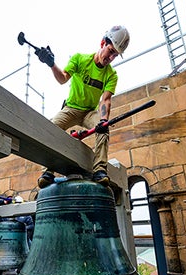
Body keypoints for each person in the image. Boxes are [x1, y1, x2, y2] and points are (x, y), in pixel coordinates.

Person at [35, 25, 130, 188]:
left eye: (115, 54)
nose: (111, 57)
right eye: (110, 50)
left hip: (89, 113)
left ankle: (100, 170)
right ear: (102, 43)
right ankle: (48, 171)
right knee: (51, 127)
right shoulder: (79, 59)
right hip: (71, 109)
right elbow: (63, 78)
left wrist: (103, 120)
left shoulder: (111, 75)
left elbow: (105, 100)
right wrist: (51, 64)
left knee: (104, 128)